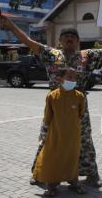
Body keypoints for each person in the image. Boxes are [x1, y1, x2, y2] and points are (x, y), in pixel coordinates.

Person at [0, 14, 102, 187]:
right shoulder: (51, 54)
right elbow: (29, 41)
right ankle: (39, 173)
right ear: (60, 41)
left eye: (73, 37)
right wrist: (11, 26)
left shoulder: (87, 55)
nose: (69, 39)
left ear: (78, 42)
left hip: (78, 104)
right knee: (48, 138)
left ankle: (91, 174)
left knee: (84, 139)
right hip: (56, 103)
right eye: (66, 37)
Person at [32, 68, 86, 196]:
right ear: (59, 79)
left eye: (74, 77)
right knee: (53, 158)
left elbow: (81, 114)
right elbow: (47, 117)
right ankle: (52, 185)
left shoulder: (79, 96)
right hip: (55, 134)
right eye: (69, 77)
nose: (72, 80)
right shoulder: (52, 96)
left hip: (73, 135)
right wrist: (44, 133)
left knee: (71, 158)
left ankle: (73, 182)